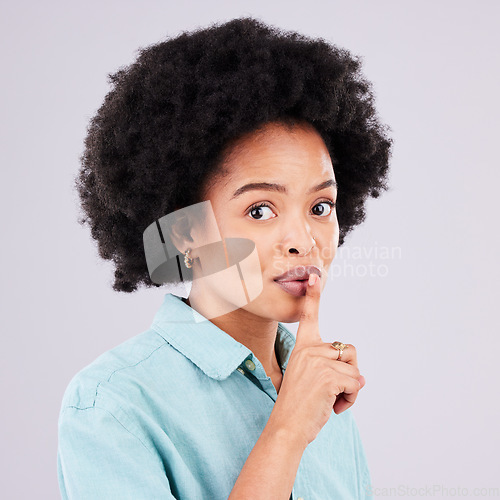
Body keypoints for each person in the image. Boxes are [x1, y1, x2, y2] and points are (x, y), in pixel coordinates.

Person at [57, 16, 393, 500]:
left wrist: (301, 404)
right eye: (260, 210)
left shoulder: (322, 392)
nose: (303, 240)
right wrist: (287, 430)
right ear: (186, 232)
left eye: (320, 207)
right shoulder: (111, 404)